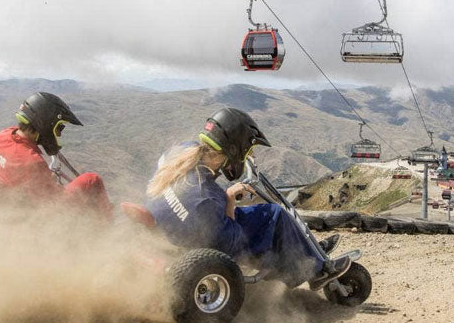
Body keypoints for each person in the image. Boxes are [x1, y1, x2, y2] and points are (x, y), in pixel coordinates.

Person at [145, 107, 350, 290]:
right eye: (248, 151)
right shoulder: (206, 198)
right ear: (234, 149)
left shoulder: (179, 152)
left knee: (257, 217)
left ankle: (303, 249)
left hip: (172, 225)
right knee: (274, 214)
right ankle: (314, 271)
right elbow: (231, 242)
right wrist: (229, 198)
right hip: (201, 241)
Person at [0, 91, 113, 221]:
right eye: (60, 128)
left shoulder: (1, 136)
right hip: (36, 216)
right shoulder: (33, 162)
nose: (59, 134)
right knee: (92, 179)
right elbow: (52, 203)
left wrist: (45, 177)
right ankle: (107, 230)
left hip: (11, 205)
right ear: (46, 123)